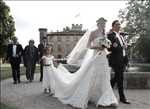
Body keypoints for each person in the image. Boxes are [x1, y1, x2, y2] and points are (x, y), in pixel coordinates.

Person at [49, 17, 118, 109]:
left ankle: (106, 99)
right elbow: (88, 46)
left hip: (103, 58)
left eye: (104, 24)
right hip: (96, 57)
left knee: (105, 77)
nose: (104, 25)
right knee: (92, 76)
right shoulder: (93, 33)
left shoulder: (104, 33)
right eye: (102, 24)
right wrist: (97, 47)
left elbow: (106, 46)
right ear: (98, 24)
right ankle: (87, 96)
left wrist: (107, 46)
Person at [107, 20, 131, 104]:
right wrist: (121, 47)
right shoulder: (110, 35)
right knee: (120, 78)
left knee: (117, 78)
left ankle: (107, 91)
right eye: (117, 24)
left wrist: (127, 61)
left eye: (119, 25)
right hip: (116, 60)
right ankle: (122, 98)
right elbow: (109, 48)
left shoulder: (121, 36)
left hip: (122, 60)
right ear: (113, 26)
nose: (119, 26)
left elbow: (124, 50)